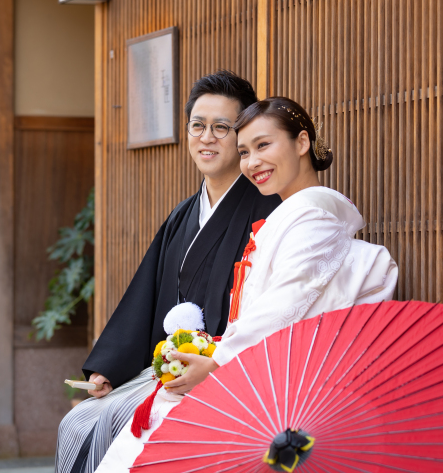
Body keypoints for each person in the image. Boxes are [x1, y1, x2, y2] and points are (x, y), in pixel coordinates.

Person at [95, 96, 398, 472]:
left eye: (263, 145)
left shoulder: (314, 218)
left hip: (285, 386)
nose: (252, 162)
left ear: (302, 143)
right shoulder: (290, 215)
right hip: (261, 366)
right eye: (244, 151)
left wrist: (218, 362)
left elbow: (283, 306)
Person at [55, 72, 281, 473]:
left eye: (221, 128)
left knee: (104, 426)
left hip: (223, 374)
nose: (206, 137)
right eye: (198, 125)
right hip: (171, 368)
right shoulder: (183, 215)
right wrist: (110, 366)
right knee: (77, 423)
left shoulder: (265, 211)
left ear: (242, 135)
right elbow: (145, 296)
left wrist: (213, 362)